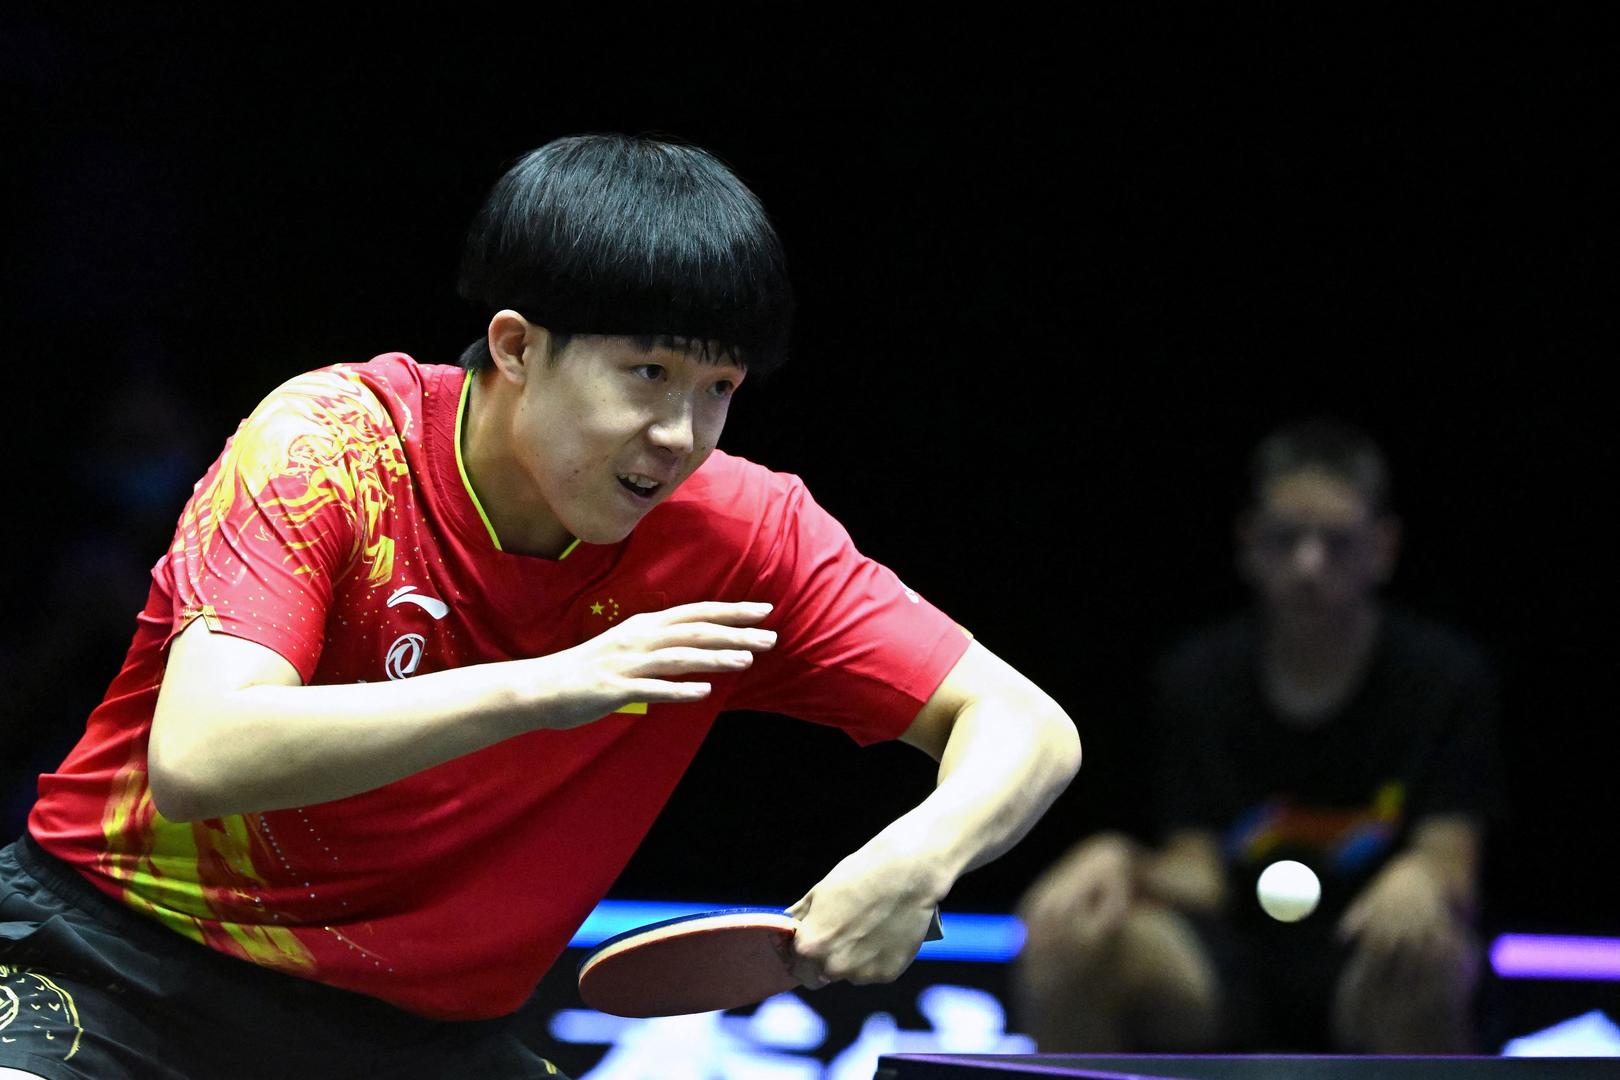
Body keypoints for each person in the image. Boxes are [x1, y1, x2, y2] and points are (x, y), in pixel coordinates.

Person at [0, 135, 1081, 1079]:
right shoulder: (332, 449)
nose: (680, 435)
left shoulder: (740, 535)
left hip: (427, 1044)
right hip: (118, 966)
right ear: (517, 346)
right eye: (646, 372)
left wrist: (920, 856)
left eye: (718, 388)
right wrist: (552, 686)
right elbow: (203, 754)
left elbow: (1026, 725)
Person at [1013, 418, 1497, 1054]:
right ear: (1249, 544)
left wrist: (1422, 877)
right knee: (1075, 939)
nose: (1308, 564)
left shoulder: (1441, 679)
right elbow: (1201, 870)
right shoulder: (1198, 678)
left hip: (1369, 956)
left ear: (1382, 548)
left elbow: (1453, 863)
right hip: (1226, 961)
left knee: (1429, 956)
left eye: (1337, 542)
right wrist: (1125, 862)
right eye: (1285, 538)